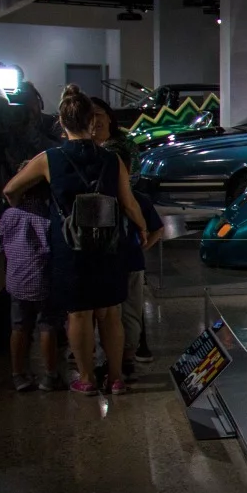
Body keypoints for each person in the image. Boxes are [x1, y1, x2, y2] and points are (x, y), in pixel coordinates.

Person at [2, 91, 148, 396]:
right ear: (90, 122)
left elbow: (10, 190)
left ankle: (86, 379)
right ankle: (117, 378)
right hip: (109, 243)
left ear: (61, 122)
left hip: (70, 245)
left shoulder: (49, 159)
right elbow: (129, 203)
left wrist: (24, 206)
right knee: (110, 312)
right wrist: (143, 229)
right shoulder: (112, 158)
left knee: (78, 313)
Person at [93, 94, 159, 376]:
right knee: (117, 308)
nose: (95, 120)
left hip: (119, 250)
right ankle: (120, 357)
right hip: (121, 251)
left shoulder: (118, 151)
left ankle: (122, 356)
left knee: (120, 309)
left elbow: (149, 222)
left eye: (99, 114)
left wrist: (142, 234)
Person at [0, 183, 62, 392]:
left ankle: (18, 375)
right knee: (47, 326)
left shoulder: (9, 215)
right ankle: (50, 376)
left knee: (19, 327)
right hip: (43, 282)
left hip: (17, 282)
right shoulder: (50, 218)